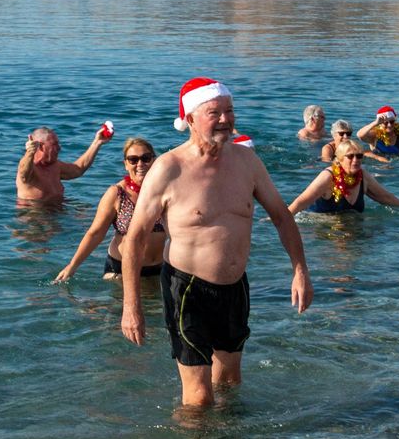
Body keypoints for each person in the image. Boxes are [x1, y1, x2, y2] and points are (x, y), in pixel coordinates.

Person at [119, 77, 313, 408]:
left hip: (234, 287)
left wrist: (300, 271)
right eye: (215, 112)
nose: (225, 119)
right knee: (198, 398)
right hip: (187, 289)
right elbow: (134, 239)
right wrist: (131, 306)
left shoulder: (247, 162)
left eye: (229, 110)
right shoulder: (169, 168)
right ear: (191, 118)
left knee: (229, 384)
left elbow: (282, 216)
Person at [54, 137, 166, 282]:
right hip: (120, 271)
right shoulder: (117, 194)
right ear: (125, 164)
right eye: (133, 160)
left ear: (154, 160)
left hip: (159, 270)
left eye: (146, 158)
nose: (140, 164)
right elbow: (95, 234)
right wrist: (72, 266)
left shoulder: (165, 191)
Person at [287, 139, 399, 214]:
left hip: (351, 228)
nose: (355, 160)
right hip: (322, 226)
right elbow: (301, 202)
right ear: (339, 159)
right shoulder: (328, 176)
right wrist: (280, 219)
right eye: (350, 156)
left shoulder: (363, 176)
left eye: (359, 156)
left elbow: (386, 197)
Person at [17, 123, 111, 203]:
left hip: (59, 211)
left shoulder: (55, 166)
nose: (59, 148)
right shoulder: (31, 169)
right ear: (40, 146)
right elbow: (23, 172)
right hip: (36, 216)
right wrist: (30, 152)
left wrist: (97, 142)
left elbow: (78, 169)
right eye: (54, 144)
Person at [321, 119, 388, 164]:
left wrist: (384, 161)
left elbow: (368, 154)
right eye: (341, 134)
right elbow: (327, 164)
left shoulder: (353, 146)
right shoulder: (328, 149)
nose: (345, 137)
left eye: (348, 134)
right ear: (334, 135)